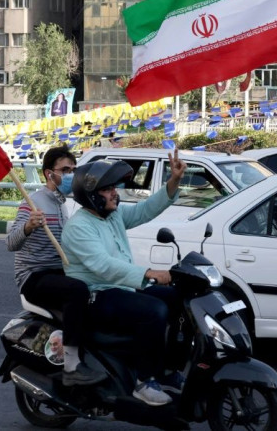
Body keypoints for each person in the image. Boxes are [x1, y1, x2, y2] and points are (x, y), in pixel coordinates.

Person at [61, 150, 187, 407]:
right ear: (92, 195)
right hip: (99, 295)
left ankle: (165, 371)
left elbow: (145, 210)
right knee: (154, 310)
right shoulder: (79, 227)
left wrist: (173, 181)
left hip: (122, 288)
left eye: (114, 188)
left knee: (177, 299)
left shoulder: (112, 214)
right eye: (108, 189)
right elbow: (103, 266)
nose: (114, 193)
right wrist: (148, 273)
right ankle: (143, 381)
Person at [6, 144, 106, 386]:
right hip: (34, 276)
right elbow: (11, 243)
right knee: (77, 291)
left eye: (73, 169)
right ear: (50, 174)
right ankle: (71, 366)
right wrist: (29, 226)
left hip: (58, 270)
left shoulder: (62, 203)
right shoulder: (34, 203)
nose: (71, 174)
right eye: (66, 170)